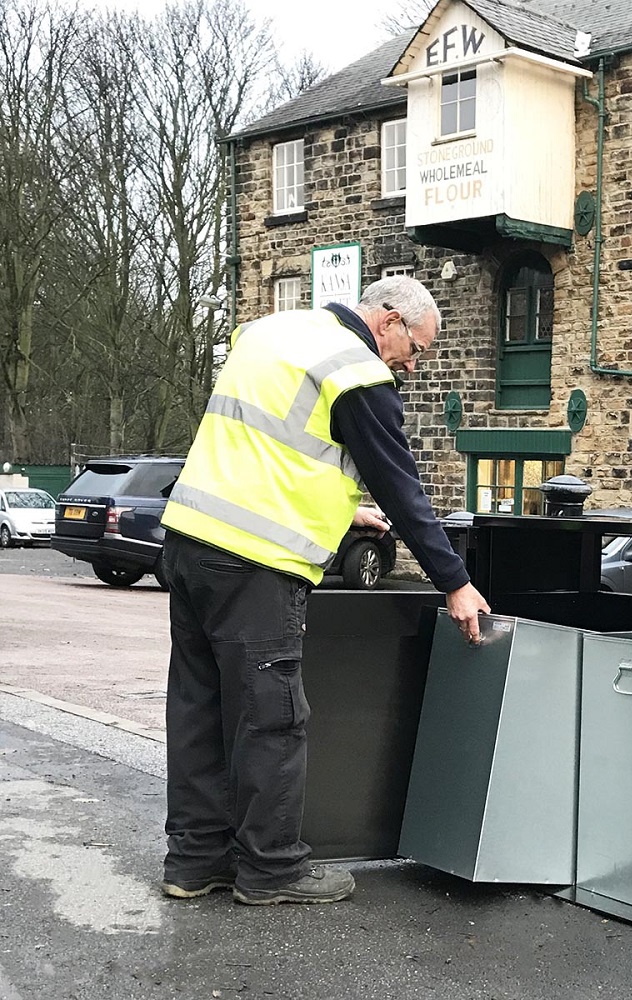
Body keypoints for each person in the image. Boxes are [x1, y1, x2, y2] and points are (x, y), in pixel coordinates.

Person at [158, 275, 490, 906]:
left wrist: (343, 512)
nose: (411, 367)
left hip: (190, 540)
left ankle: (194, 861)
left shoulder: (270, 330)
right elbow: (402, 489)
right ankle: (272, 868)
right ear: (388, 320)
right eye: (415, 349)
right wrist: (455, 582)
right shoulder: (356, 372)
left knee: (199, 706)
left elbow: (269, 446)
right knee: (271, 717)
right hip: (254, 563)